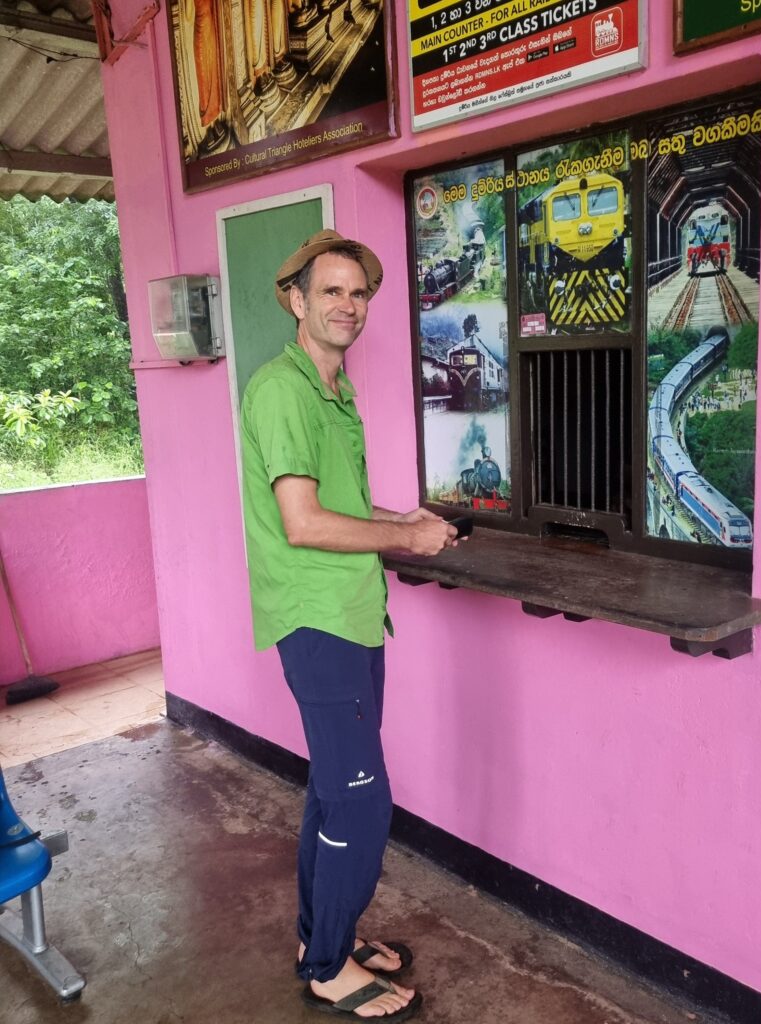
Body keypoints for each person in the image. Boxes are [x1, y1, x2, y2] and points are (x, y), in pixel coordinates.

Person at [241, 230, 457, 1020]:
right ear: (296, 301)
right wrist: (404, 541)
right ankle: (328, 968)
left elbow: (337, 504)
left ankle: (320, 938)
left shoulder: (333, 389)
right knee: (361, 804)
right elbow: (302, 522)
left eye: (358, 293)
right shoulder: (283, 390)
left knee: (334, 793)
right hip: (317, 619)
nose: (348, 305)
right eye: (330, 290)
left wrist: (401, 519)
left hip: (355, 615)